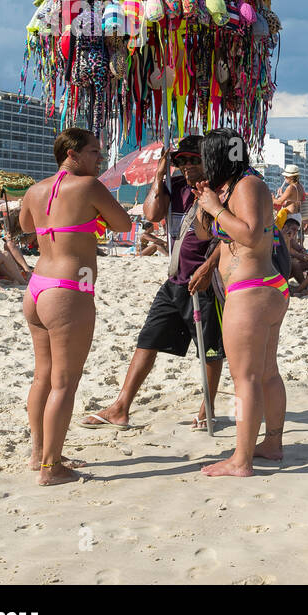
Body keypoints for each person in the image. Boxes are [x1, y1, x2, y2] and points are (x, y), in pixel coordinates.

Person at [78, 136, 225, 432]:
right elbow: (151, 214)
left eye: (192, 160)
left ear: (206, 159)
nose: (186, 166)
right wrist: (159, 174)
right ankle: (121, 407)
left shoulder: (221, 188)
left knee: (210, 350)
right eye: (181, 161)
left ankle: (206, 410)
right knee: (148, 340)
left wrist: (209, 267)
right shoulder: (175, 186)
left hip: (207, 282)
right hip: (175, 280)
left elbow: (228, 234)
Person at [20, 128, 131, 485]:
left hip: (37, 287)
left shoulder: (35, 190)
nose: (101, 159)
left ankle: (39, 455)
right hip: (71, 288)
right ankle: (52, 469)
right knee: (65, 382)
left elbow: (25, 226)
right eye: (95, 152)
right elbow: (124, 224)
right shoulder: (87, 187)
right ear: (72, 153)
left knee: (42, 377)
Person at [191, 129, 290, 476]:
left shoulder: (247, 185)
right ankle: (272, 444)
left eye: (205, 157)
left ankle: (241, 459)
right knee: (264, 373)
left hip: (251, 289)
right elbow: (211, 234)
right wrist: (206, 203)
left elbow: (248, 233)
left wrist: (216, 208)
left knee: (245, 377)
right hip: (261, 287)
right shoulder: (238, 186)